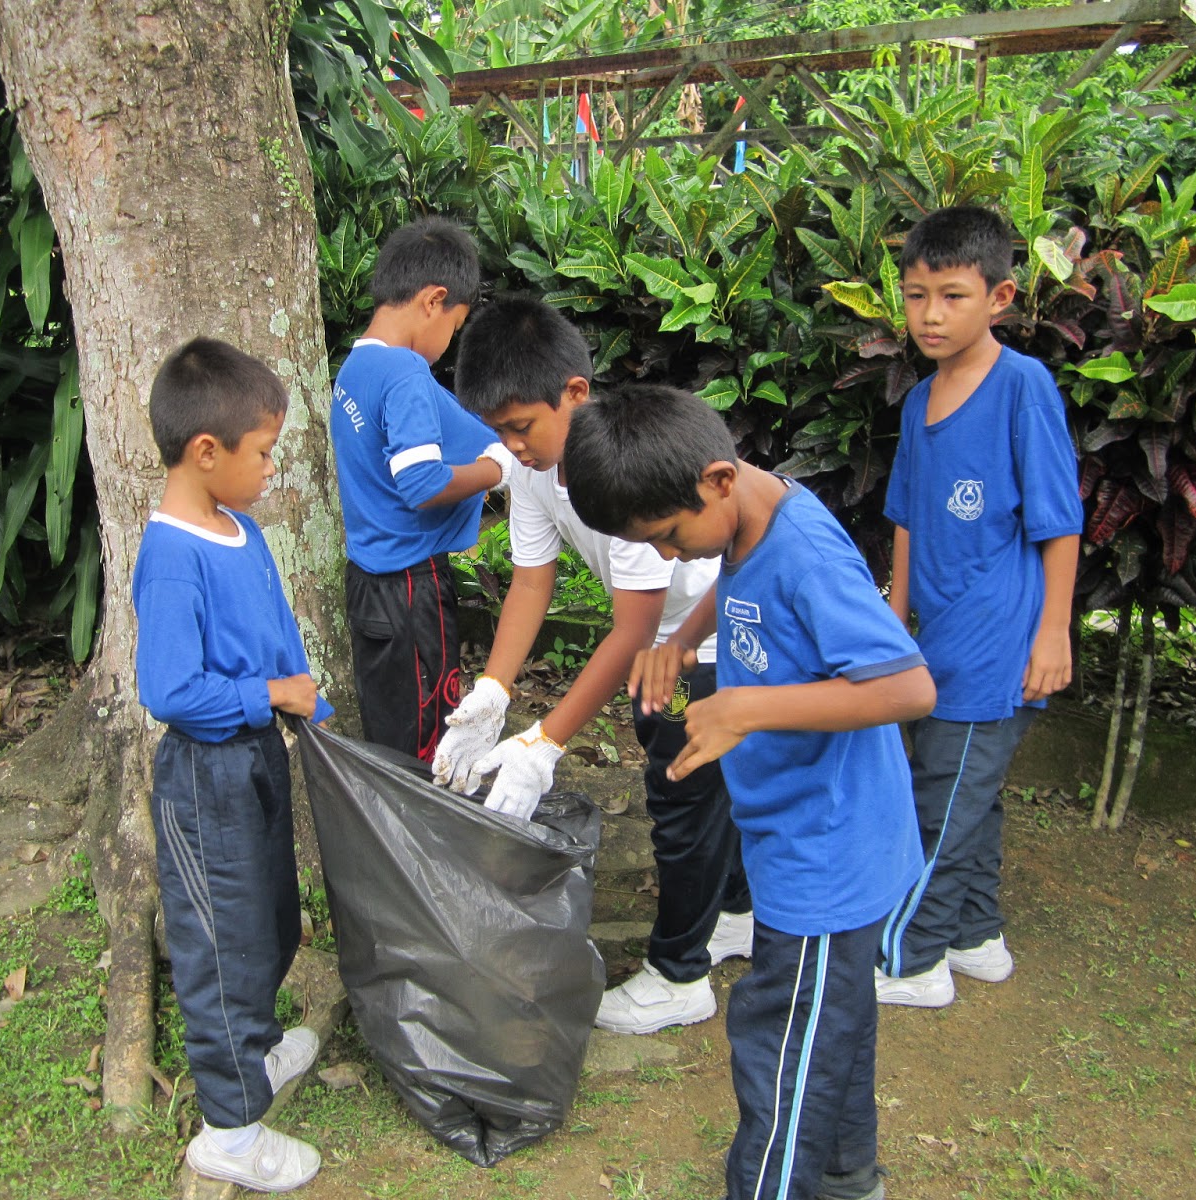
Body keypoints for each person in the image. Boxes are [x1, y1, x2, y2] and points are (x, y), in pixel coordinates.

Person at [562, 384, 934, 1200]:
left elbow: (909, 687)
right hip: (798, 837)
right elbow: (738, 592)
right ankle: (846, 1177)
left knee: (781, 1042)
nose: (668, 559)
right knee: (832, 1027)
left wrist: (747, 706)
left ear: (718, 481)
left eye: (667, 538)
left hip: (828, 851)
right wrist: (683, 641)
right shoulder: (745, 517)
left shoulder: (803, 551)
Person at [438, 295, 754, 1037]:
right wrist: (494, 688)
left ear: (574, 393)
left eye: (523, 427)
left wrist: (546, 742)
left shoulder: (622, 466)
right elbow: (531, 580)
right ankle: (735, 914)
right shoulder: (535, 471)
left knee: (682, 799)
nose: (513, 446)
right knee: (704, 793)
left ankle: (680, 975)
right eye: (500, 432)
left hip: (699, 641)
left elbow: (633, 627)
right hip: (657, 641)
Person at [133, 338, 333, 1193]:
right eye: (262, 454)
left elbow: (280, 632)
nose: (269, 469)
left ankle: (254, 1049)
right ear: (205, 452)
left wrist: (309, 708)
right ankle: (229, 1129)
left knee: (272, 918)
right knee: (222, 944)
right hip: (206, 778)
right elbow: (170, 689)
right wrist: (269, 698)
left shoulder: (241, 528)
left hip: (257, 759)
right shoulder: (172, 555)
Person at [876, 206, 1084, 1009]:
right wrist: (895, 612)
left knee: (941, 800)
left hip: (998, 645)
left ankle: (912, 959)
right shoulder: (918, 401)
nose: (930, 314)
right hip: (940, 642)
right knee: (969, 793)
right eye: (916, 293)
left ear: (999, 297)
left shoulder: (1022, 387)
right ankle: (973, 935)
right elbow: (904, 513)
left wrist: (1054, 631)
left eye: (953, 296)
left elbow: (1059, 520)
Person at [330, 216, 514, 762]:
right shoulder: (405, 373)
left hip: (369, 581)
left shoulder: (355, 368)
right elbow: (422, 482)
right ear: (434, 300)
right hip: (411, 588)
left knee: (391, 729)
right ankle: (428, 839)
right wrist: (496, 469)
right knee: (431, 735)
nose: (449, 340)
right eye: (455, 325)